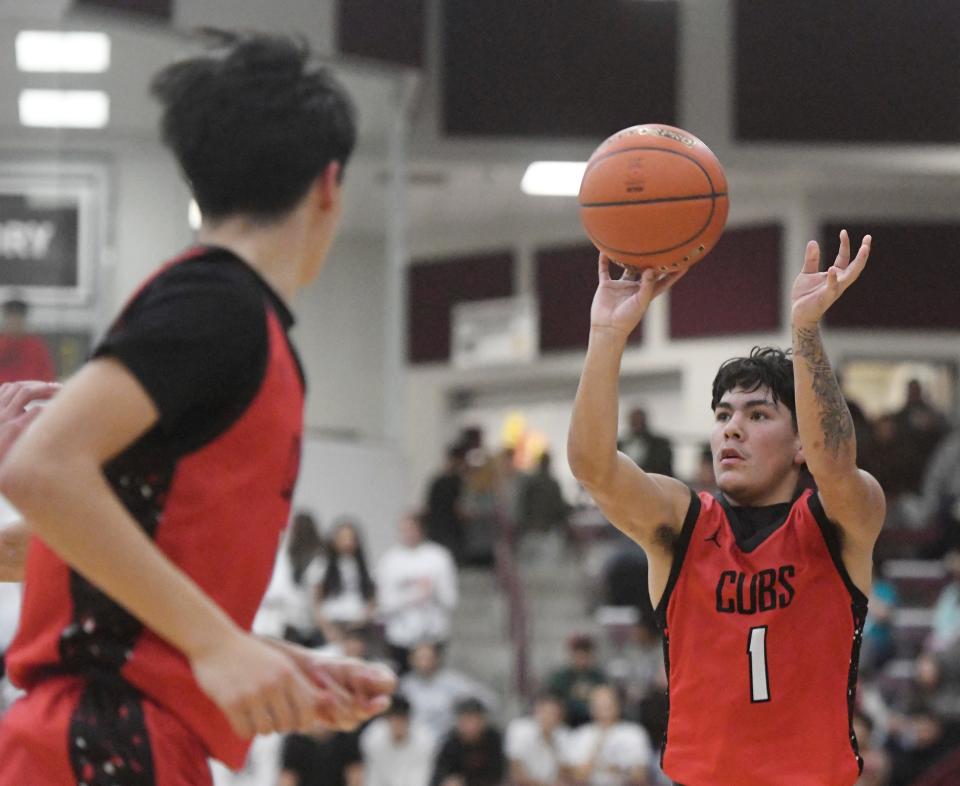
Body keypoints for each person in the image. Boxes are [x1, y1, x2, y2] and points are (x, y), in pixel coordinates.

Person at [0, 33, 394, 786]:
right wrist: (221, 646)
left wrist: (278, 663)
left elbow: (87, 556)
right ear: (329, 186)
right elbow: (40, 469)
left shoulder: (226, 316)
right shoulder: (218, 307)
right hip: (104, 737)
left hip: (120, 735)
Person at [567, 231, 885, 785]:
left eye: (758, 416)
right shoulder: (682, 521)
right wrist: (607, 334)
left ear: (800, 444)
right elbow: (594, 468)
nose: (731, 427)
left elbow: (835, 464)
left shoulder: (838, 520)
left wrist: (806, 332)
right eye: (722, 415)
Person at [377, 513, 458, 673]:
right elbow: (384, 604)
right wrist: (413, 595)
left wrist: (432, 590)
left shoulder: (439, 557)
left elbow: (451, 599)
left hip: (433, 634)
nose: (407, 533)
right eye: (403, 529)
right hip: (400, 636)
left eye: (411, 529)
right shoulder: (390, 560)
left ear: (422, 529)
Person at [398, 641, 498, 739]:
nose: (424, 662)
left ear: (437, 658)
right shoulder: (405, 686)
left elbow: (489, 700)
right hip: (415, 742)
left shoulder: (453, 682)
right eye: (420, 658)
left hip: (447, 741)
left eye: (428, 658)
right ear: (411, 660)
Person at [562, 683, 652, 786]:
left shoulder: (634, 732)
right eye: (599, 704)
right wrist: (599, 743)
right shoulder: (581, 734)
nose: (604, 707)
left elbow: (640, 776)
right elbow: (577, 777)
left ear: (618, 705)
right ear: (591, 708)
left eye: (608, 703)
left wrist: (619, 769)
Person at [315, 518, 377, 643]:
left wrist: (363, 620)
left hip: (357, 624)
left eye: (350, 538)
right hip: (332, 622)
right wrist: (327, 629)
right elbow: (317, 600)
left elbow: (371, 597)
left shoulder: (364, 567)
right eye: (343, 538)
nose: (347, 543)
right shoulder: (323, 565)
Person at [360, 694, 437, 786]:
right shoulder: (373, 738)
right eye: (395, 720)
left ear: (409, 721)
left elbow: (420, 778)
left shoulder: (424, 741)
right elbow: (374, 776)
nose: (398, 725)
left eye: (402, 720)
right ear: (387, 720)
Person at [430, 697, 506, 786]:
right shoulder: (450, 743)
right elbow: (439, 774)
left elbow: (499, 773)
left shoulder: (494, 740)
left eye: (473, 720)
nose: (469, 726)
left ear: (482, 721)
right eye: (465, 720)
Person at [504, 691, 571, 786]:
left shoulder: (563, 734)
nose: (549, 718)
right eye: (545, 712)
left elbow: (564, 774)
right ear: (536, 711)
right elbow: (517, 775)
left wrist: (552, 744)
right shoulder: (519, 729)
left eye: (554, 714)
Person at [544, 633, 608, 728]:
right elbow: (552, 702)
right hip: (564, 725)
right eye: (578, 655)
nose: (581, 659)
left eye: (585, 655)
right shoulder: (560, 677)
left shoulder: (598, 677)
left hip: (593, 726)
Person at [425, 445, 468, 560]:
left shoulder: (436, 480)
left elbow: (427, 507)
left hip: (435, 530)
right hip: (451, 533)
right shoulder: (457, 482)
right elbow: (459, 509)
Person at [0, 299, 56, 384]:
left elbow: (47, 378)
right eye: (11, 317)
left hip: (31, 395)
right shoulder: (2, 345)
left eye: (18, 317)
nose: (14, 322)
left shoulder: (36, 347)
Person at [618, 407, 673, 477]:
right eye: (634, 421)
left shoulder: (660, 444)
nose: (637, 425)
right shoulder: (619, 445)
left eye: (639, 421)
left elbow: (665, 469)